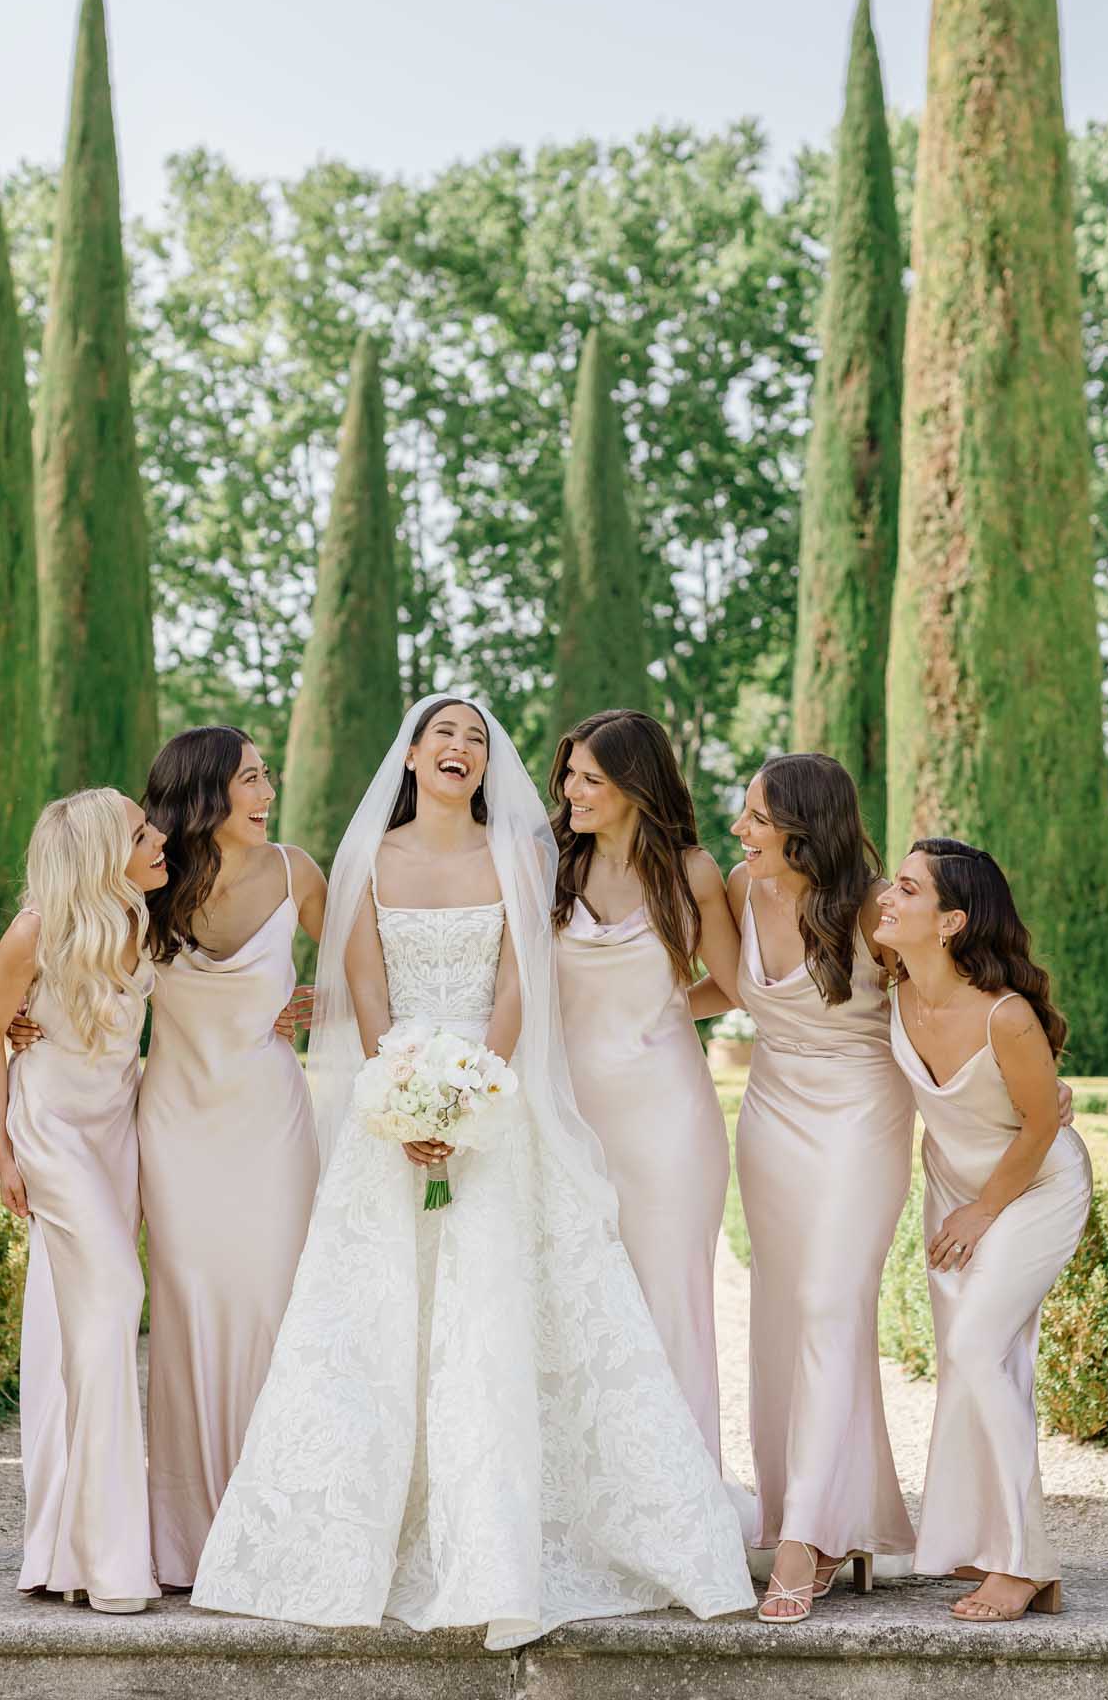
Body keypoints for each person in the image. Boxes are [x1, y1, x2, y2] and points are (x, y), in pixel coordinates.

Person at [191, 697, 756, 1647]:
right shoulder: (370, 855)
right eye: (443, 734)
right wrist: (396, 1092)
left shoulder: (523, 855)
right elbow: (363, 978)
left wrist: (478, 1090)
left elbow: (519, 978)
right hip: (395, 1099)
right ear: (410, 754)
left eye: (477, 739)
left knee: (494, 1314)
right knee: (378, 1316)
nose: (460, 746)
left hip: (496, 1098)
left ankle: (502, 1549)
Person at [11, 726, 325, 1589]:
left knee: (276, 1304)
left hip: (272, 1120)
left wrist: (314, 1005)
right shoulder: (148, 883)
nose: (266, 792)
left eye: (266, 776)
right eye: (250, 779)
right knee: (185, 1315)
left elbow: (363, 974)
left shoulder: (299, 872)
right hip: (175, 1128)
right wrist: (19, 1028)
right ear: (206, 794)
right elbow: (62, 963)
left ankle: (280, 1520)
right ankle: (188, 1536)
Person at [877, 839, 1091, 1623]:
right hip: (951, 1187)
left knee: (974, 1348)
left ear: (951, 921)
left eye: (906, 889)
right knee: (976, 1361)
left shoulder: (1006, 1015)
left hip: (1033, 1188)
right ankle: (984, 1540)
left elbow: (1039, 1125)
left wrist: (983, 1209)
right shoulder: (889, 985)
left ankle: (1024, 1563)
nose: (887, 899)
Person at [723, 754, 916, 1621]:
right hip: (770, 1115)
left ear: (806, 826)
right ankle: (813, 1511)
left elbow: (947, 998)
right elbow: (715, 991)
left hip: (859, 1114)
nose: (742, 831)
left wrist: (1028, 1080)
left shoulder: (879, 908)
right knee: (782, 1312)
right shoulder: (739, 887)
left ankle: (806, 1534)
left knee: (834, 1303)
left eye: (758, 818)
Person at [0, 787, 166, 1613]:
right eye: (139, 830)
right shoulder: (34, 933)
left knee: (91, 1324)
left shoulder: (141, 924)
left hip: (115, 1132)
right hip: (50, 1131)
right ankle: (107, 1551)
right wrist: (3, 1152)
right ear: (97, 853)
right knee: (120, 1296)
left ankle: (72, 1543)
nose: (158, 836)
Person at [549, 707, 741, 1463]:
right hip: (570, 1115)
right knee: (580, 1301)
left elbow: (729, 987)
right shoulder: (552, 866)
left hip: (667, 1120)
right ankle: (596, 1489)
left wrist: (662, 1008)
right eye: (568, 774)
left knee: (668, 1296)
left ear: (634, 785)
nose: (570, 790)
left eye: (590, 778)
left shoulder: (689, 873)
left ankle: (682, 1488)